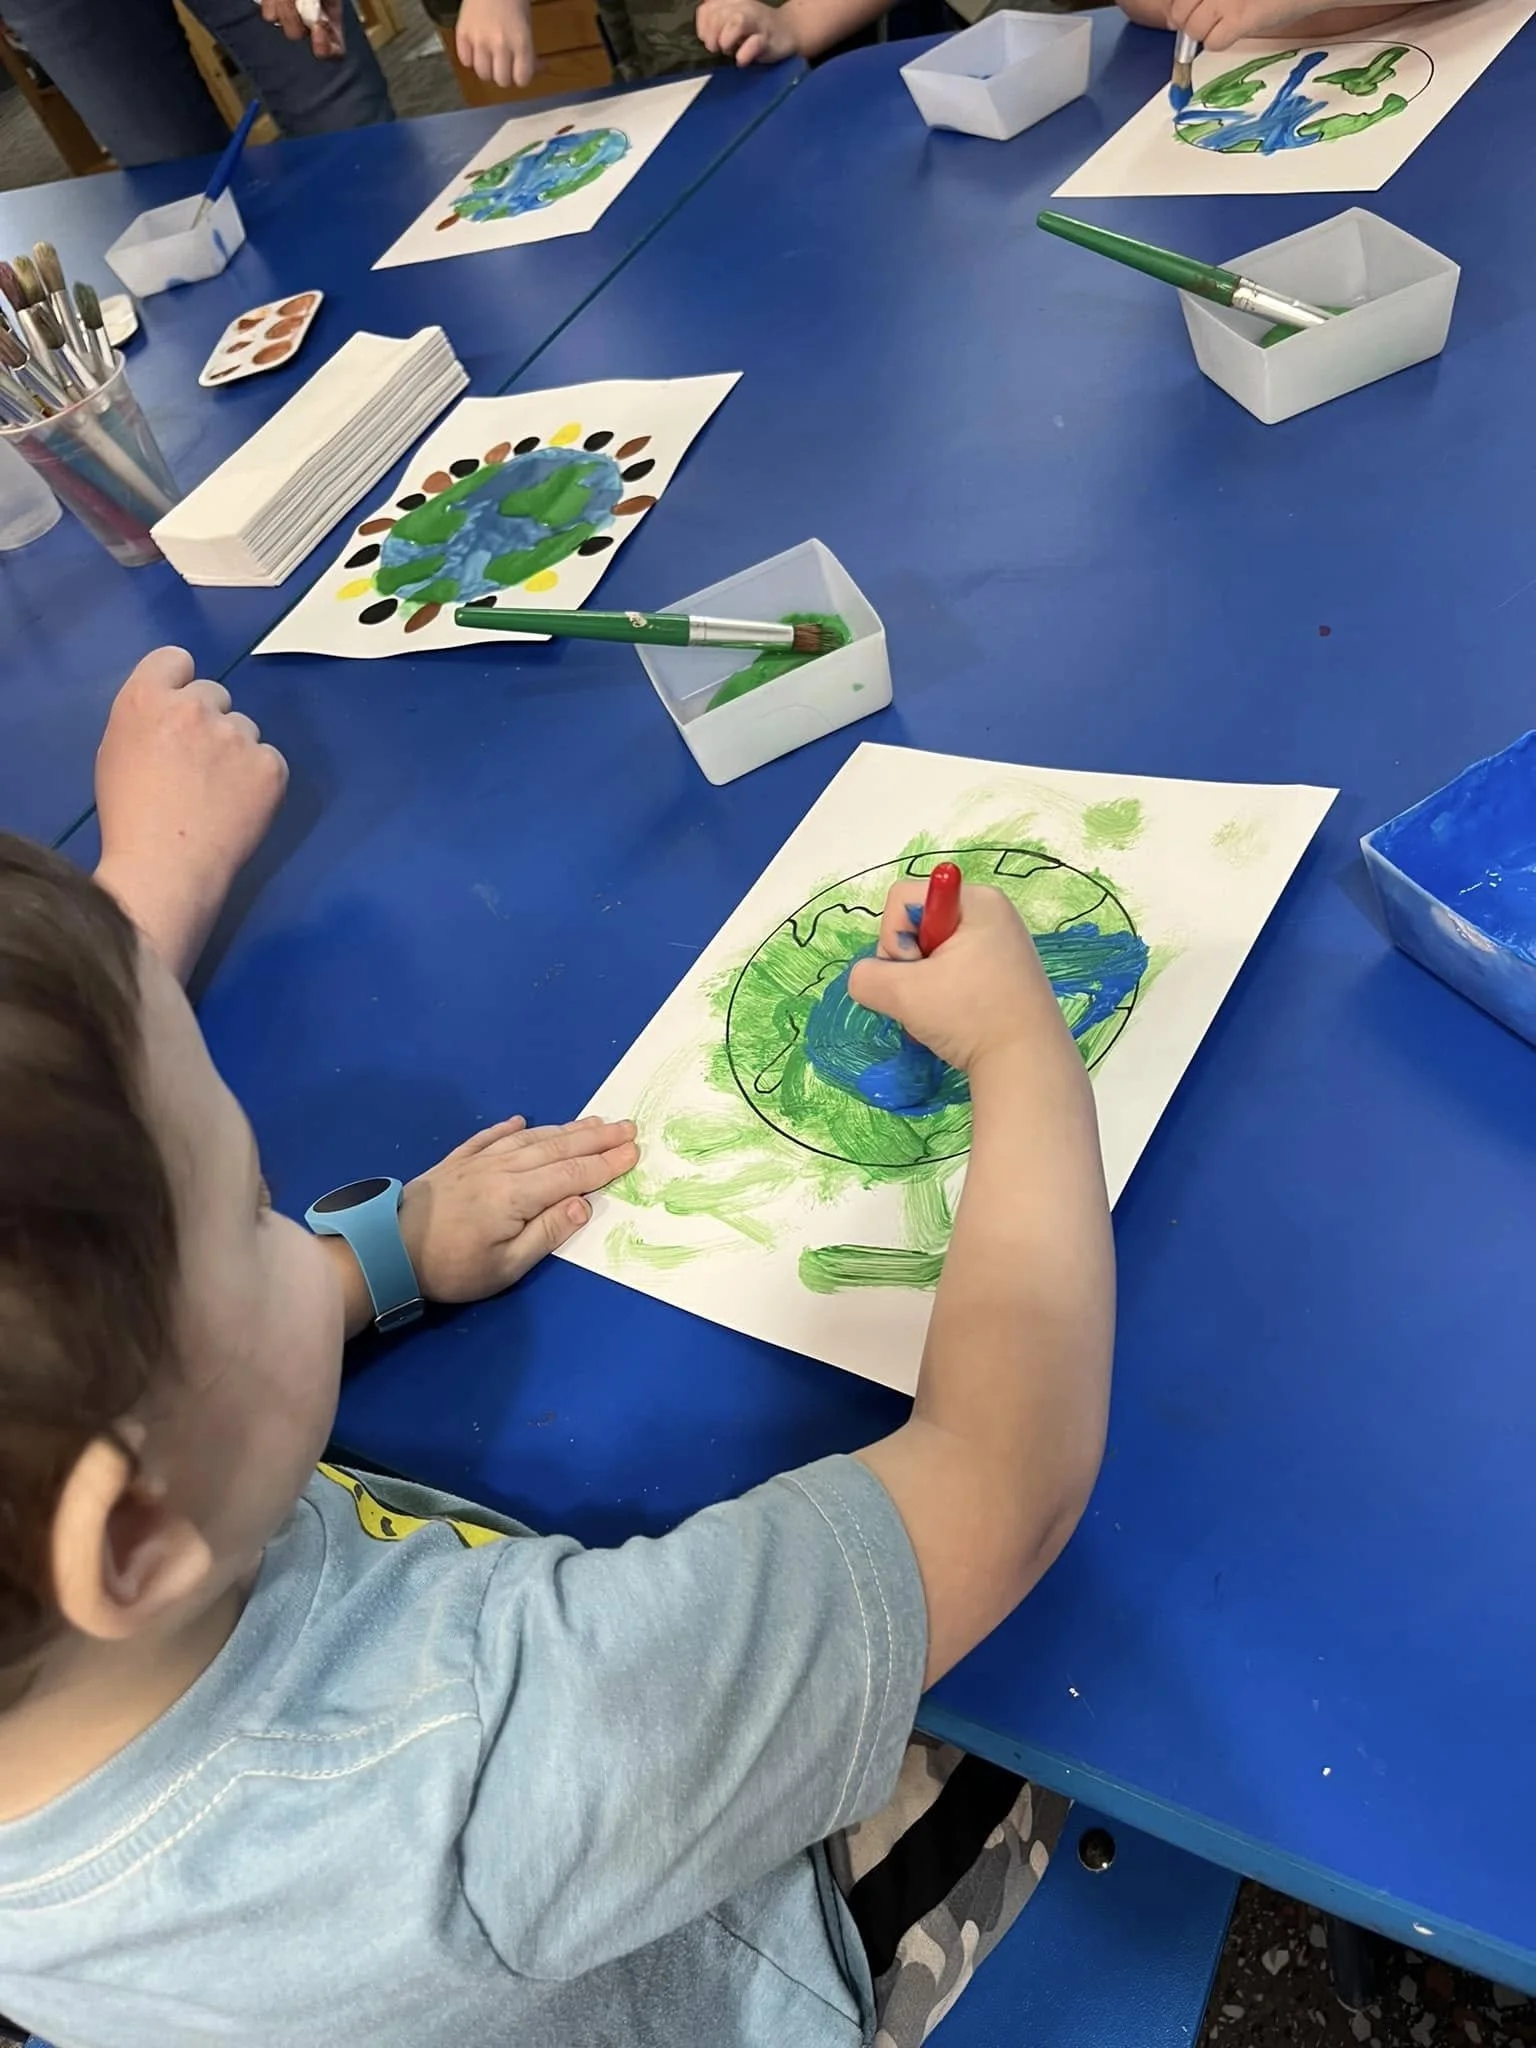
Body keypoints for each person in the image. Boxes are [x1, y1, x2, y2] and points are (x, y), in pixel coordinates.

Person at [0, 646, 1112, 2048]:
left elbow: (106, 1334)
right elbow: (1009, 1479)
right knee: (1048, 1710)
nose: (309, 1222)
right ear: (128, 1536)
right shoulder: (486, 1775)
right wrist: (1020, 1053)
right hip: (749, 1949)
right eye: (256, 1211)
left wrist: (384, 1260)